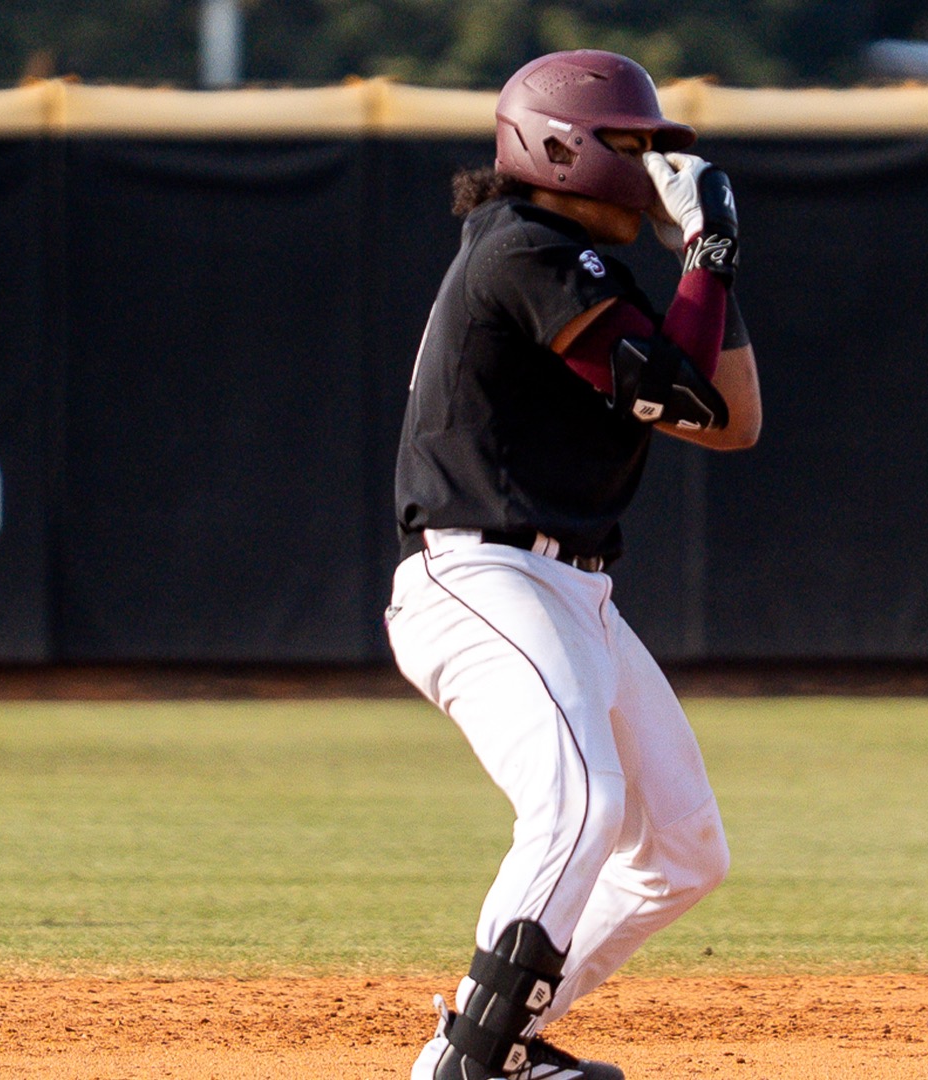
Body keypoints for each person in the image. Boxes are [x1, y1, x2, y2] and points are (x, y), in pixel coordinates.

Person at [383, 48, 761, 1080]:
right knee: (579, 804)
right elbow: (675, 392)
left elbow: (731, 420)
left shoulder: (574, 262)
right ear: (561, 150)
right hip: (482, 577)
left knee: (683, 851)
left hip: (570, 588)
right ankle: (470, 1062)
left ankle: (502, 1033)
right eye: (631, 145)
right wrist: (706, 258)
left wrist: (705, 268)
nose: (654, 166)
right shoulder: (523, 250)